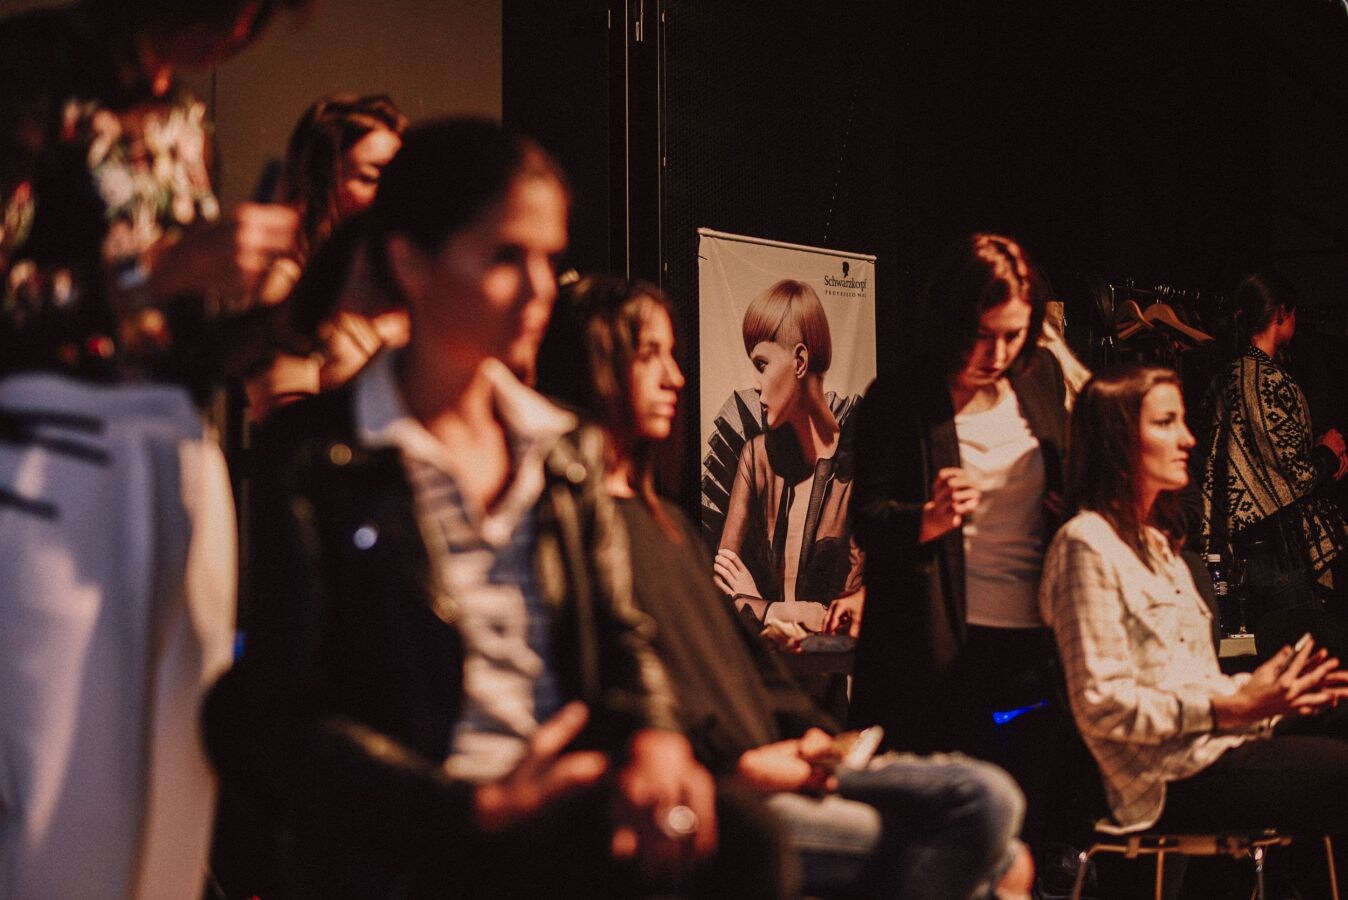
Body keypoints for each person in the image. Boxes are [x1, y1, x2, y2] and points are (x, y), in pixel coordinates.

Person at [202, 119, 757, 899]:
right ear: (411, 263)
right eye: (505, 257)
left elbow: (620, 632)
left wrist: (659, 738)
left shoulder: (562, 448)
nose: (539, 289)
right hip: (422, 821)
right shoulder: (319, 453)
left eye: (549, 257)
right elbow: (285, 714)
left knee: (748, 848)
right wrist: (474, 804)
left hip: (566, 804)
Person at [537, 273, 1035, 899]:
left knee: (991, 815)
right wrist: (745, 763)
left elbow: (746, 653)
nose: (676, 378)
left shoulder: (666, 524)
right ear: (592, 367)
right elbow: (629, 684)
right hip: (723, 780)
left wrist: (810, 738)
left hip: (781, 755)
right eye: (649, 356)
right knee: (987, 832)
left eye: (673, 355)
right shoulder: (585, 528)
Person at [0, 2, 303, 897]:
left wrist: (287, 303)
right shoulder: (33, 67)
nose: (237, 37)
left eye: (260, 21)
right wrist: (158, 272)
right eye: (230, 11)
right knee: (67, 798)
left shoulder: (181, 113)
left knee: (178, 786)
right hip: (53, 449)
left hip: (179, 450)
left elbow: (191, 345)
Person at [1041, 364, 1348, 844]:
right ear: (1116, 439)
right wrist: (1231, 703)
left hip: (1219, 742)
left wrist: (1272, 698)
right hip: (1168, 774)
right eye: (1165, 423)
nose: (1187, 439)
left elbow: (1199, 684)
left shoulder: (1164, 549)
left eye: (1183, 421)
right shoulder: (1086, 544)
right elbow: (1101, 705)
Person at [847, 233, 1071, 851]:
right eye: (982, 333)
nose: (997, 351)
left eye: (1013, 334)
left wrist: (1064, 501)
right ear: (951, 318)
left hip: (1031, 643)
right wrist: (928, 517)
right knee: (950, 837)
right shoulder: (899, 398)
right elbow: (868, 520)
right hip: (937, 647)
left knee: (1029, 830)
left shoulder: (1042, 377)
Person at [1200, 272, 1348, 649]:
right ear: (1281, 313)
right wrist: (1327, 455)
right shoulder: (1265, 380)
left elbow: (1260, 460)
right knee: (1311, 648)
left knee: (1253, 651)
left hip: (1232, 545)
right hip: (1275, 549)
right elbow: (1286, 474)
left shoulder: (1223, 378)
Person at [712, 278, 865, 635]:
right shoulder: (756, 457)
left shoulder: (858, 467)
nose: (758, 385)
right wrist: (786, 610)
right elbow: (721, 589)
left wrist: (757, 604)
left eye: (762, 364)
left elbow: (854, 619)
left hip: (827, 682)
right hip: (762, 681)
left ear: (799, 360)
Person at [245, 92, 410, 420]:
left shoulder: (400, 284)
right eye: (372, 178)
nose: (394, 194)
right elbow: (285, 428)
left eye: (401, 178)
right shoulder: (286, 287)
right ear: (321, 181)